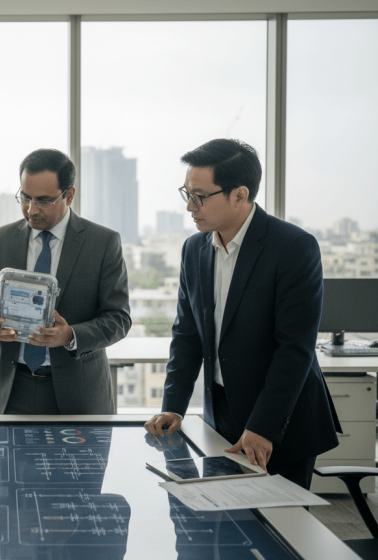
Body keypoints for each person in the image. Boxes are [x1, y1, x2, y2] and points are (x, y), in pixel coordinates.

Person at [144, 138, 340, 490]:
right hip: (219, 414)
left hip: (280, 419)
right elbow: (187, 335)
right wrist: (173, 407)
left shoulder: (293, 247)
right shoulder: (194, 249)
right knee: (223, 525)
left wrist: (263, 427)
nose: (189, 206)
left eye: (200, 196)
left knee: (280, 530)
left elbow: (294, 349)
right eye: (186, 193)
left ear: (239, 194)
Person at [0, 148, 131, 415]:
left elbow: (119, 319)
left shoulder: (102, 242)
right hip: (10, 391)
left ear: (69, 195)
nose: (31, 210)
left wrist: (70, 335)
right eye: (25, 197)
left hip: (79, 392)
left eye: (43, 200)